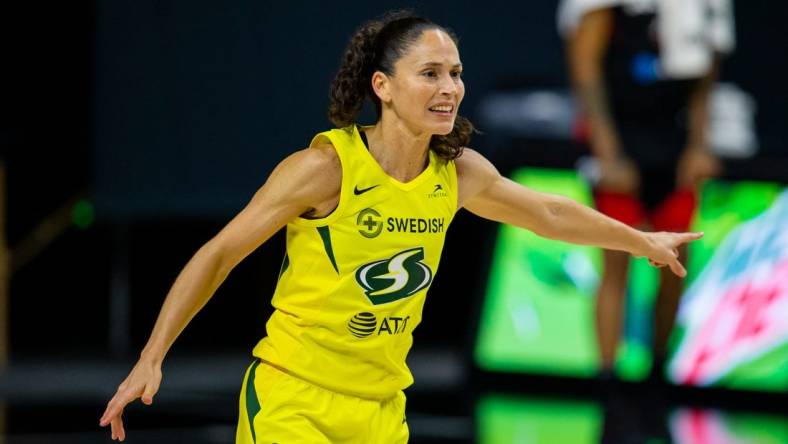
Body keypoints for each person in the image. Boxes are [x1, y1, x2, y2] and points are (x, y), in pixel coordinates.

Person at [100, 11, 702, 443]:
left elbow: (548, 212)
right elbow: (219, 254)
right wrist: (153, 357)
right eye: (431, 73)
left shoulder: (458, 172)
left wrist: (640, 240)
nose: (450, 89)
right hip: (294, 398)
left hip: (383, 409)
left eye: (456, 73)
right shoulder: (325, 167)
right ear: (382, 87)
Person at [558, 0, 734, 382]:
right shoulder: (603, 11)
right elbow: (585, 71)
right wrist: (608, 154)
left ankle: (658, 372)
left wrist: (699, 146)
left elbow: (706, 78)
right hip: (620, 143)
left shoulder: (701, 10)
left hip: (672, 144)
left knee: (676, 263)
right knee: (615, 260)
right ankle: (608, 381)